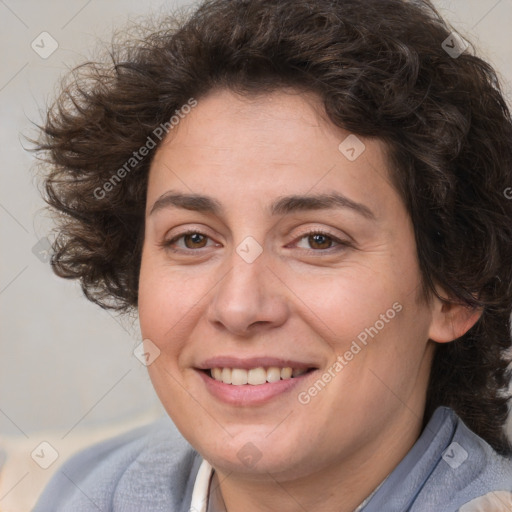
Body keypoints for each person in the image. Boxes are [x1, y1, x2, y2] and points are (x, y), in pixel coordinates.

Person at [31, 0, 512, 510]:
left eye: (318, 240)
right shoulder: (88, 490)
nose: (238, 308)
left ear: (456, 288)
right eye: (192, 239)